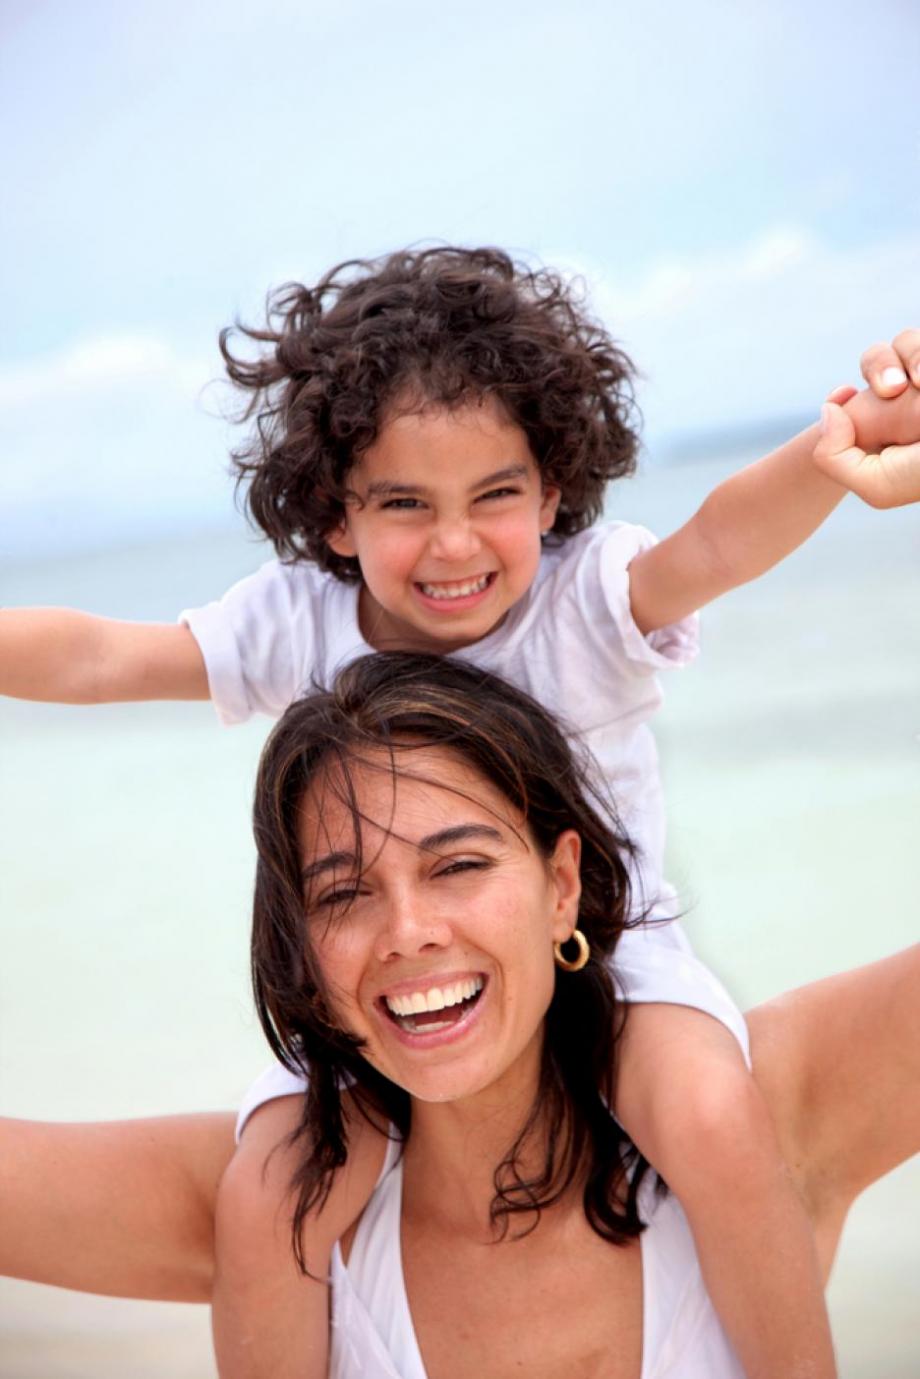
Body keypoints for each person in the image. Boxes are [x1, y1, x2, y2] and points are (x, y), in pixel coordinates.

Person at [1, 247, 919, 1378]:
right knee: (272, 1187)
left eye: (495, 495)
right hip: (380, 1006)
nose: (452, 543)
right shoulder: (301, 622)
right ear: (337, 516)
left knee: (713, 1117)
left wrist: (842, 449)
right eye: (404, 503)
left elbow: (720, 539)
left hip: (617, 968)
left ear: (550, 492)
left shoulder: (581, 603)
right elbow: (101, 656)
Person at [1, 653, 918, 1379]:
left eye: (459, 865)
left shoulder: (754, 1113)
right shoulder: (282, 1201)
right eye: (343, 893)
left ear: (562, 885)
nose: (408, 932)